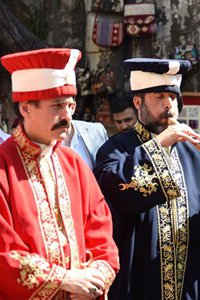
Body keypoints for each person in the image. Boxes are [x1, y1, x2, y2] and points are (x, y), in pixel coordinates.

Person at [94, 58, 200, 300]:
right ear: (138, 102)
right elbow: (119, 192)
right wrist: (160, 144)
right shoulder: (115, 149)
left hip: (191, 285)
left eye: (173, 98)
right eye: (159, 98)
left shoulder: (194, 150)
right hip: (141, 283)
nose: (168, 105)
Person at [0, 48, 119, 299]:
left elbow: (102, 235)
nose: (67, 116)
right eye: (57, 106)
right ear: (26, 109)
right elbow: (4, 253)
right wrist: (64, 279)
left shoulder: (74, 163)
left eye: (70, 106)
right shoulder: (3, 166)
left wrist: (94, 279)